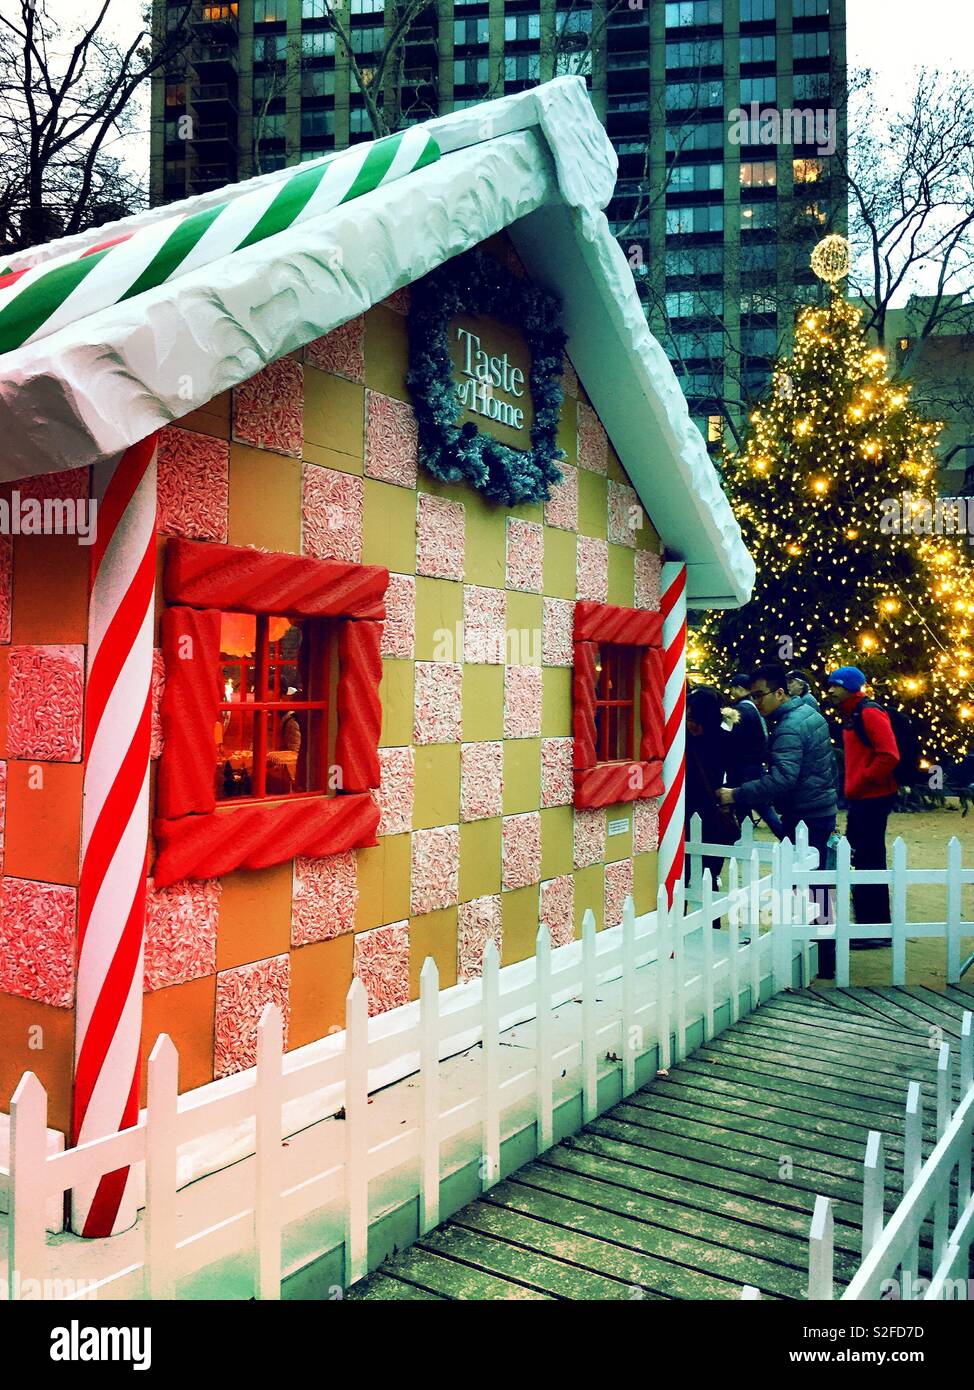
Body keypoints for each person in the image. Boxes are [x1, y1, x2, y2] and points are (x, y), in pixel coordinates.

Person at [717, 663, 838, 976]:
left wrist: (737, 794)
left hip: (804, 814)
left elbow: (784, 778)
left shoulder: (788, 727)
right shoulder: (810, 714)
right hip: (820, 808)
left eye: (760, 695)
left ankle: (816, 955)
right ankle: (823, 953)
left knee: (805, 885)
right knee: (818, 883)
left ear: (780, 692)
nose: (756, 702)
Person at [825, 666, 899, 950]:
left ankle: (875, 928)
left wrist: (862, 781)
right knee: (864, 859)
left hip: (871, 799)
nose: (830, 690)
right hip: (864, 798)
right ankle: (873, 925)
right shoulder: (853, 714)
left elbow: (889, 755)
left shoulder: (868, 713)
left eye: (836, 685)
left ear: (850, 687)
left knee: (867, 860)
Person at [684, 685, 737, 892]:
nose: (691, 725)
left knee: (710, 875)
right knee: (684, 874)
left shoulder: (726, 740)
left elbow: (734, 776)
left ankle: (712, 923)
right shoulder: (683, 740)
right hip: (688, 812)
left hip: (713, 812)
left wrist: (729, 797)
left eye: (694, 720)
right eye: (688, 719)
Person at [726, 670, 784, 839]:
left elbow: (731, 739)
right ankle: (749, 840)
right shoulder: (755, 709)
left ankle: (783, 837)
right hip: (755, 766)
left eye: (734, 688)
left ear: (739, 688)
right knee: (760, 807)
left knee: (758, 808)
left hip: (744, 768)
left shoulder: (740, 711)